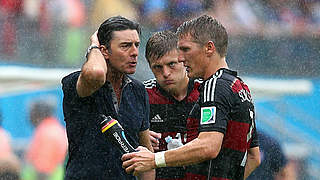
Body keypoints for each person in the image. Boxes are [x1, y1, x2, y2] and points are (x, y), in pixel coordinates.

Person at [122, 14, 260, 180]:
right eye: (158, 67)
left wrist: (154, 159)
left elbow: (208, 146)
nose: (181, 58)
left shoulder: (212, 87)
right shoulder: (240, 87)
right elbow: (253, 157)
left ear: (209, 48)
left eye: (185, 50)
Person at [61, 16, 154, 180]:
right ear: (104, 51)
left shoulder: (138, 90)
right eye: (125, 46)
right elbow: (96, 73)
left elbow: (145, 155)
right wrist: (94, 46)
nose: (134, 53)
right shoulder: (77, 82)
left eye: (136, 45)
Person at [144, 30, 201, 179]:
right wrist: (137, 136)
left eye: (171, 64)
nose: (166, 73)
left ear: (184, 59)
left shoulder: (207, 93)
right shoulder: (142, 96)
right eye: (158, 67)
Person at [24, 98, 68, 180]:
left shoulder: (45, 133)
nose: (29, 117)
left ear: (38, 114)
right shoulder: (56, 128)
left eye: (32, 112)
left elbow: (43, 169)